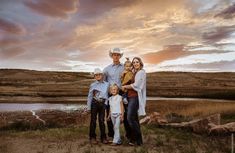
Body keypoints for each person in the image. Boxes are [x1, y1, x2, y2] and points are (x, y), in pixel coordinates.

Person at [103, 48, 131, 141]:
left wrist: (128, 61)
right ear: (112, 56)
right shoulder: (106, 69)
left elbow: (130, 73)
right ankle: (111, 135)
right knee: (110, 114)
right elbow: (104, 82)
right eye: (114, 54)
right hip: (111, 93)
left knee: (125, 113)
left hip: (122, 93)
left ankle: (128, 135)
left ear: (120, 56)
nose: (116, 56)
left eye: (118, 55)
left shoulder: (124, 67)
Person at [122, 57, 146, 146]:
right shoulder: (133, 72)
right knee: (134, 119)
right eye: (134, 62)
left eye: (137, 62)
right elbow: (127, 68)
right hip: (129, 97)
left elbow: (136, 85)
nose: (135, 63)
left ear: (140, 63)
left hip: (135, 97)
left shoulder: (141, 72)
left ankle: (136, 138)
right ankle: (137, 140)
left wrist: (124, 87)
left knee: (130, 118)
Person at [87, 68, 109, 144]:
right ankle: (92, 137)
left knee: (101, 121)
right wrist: (88, 107)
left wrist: (106, 104)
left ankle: (103, 137)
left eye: (99, 74)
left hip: (102, 104)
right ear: (94, 76)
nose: (98, 76)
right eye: (96, 75)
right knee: (93, 121)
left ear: (102, 75)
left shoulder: (107, 84)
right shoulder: (92, 85)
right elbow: (90, 96)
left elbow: (107, 95)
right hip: (94, 103)